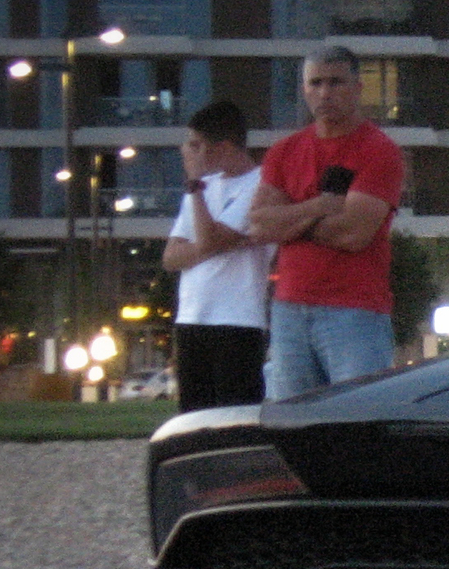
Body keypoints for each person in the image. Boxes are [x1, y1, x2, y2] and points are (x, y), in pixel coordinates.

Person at [250, 44, 404, 398]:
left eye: (335, 83)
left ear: (357, 88)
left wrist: (288, 218)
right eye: (315, 83)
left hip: (355, 311)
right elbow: (259, 227)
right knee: (293, 423)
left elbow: (353, 233)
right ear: (304, 89)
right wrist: (319, 206)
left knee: (357, 418)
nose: (324, 93)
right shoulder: (284, 151)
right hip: (288, 308)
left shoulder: (379, 151)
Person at [161, 98, 270, 410]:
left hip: (236, 320)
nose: (189, 153)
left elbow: (209, 239)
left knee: (233, 416)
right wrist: (216, 245)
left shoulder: (259, 184)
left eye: (196, 145)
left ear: (221, 147)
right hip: (193, 316)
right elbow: (171, 256)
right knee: (194, 417)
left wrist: (194, 186)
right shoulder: (203, 188)